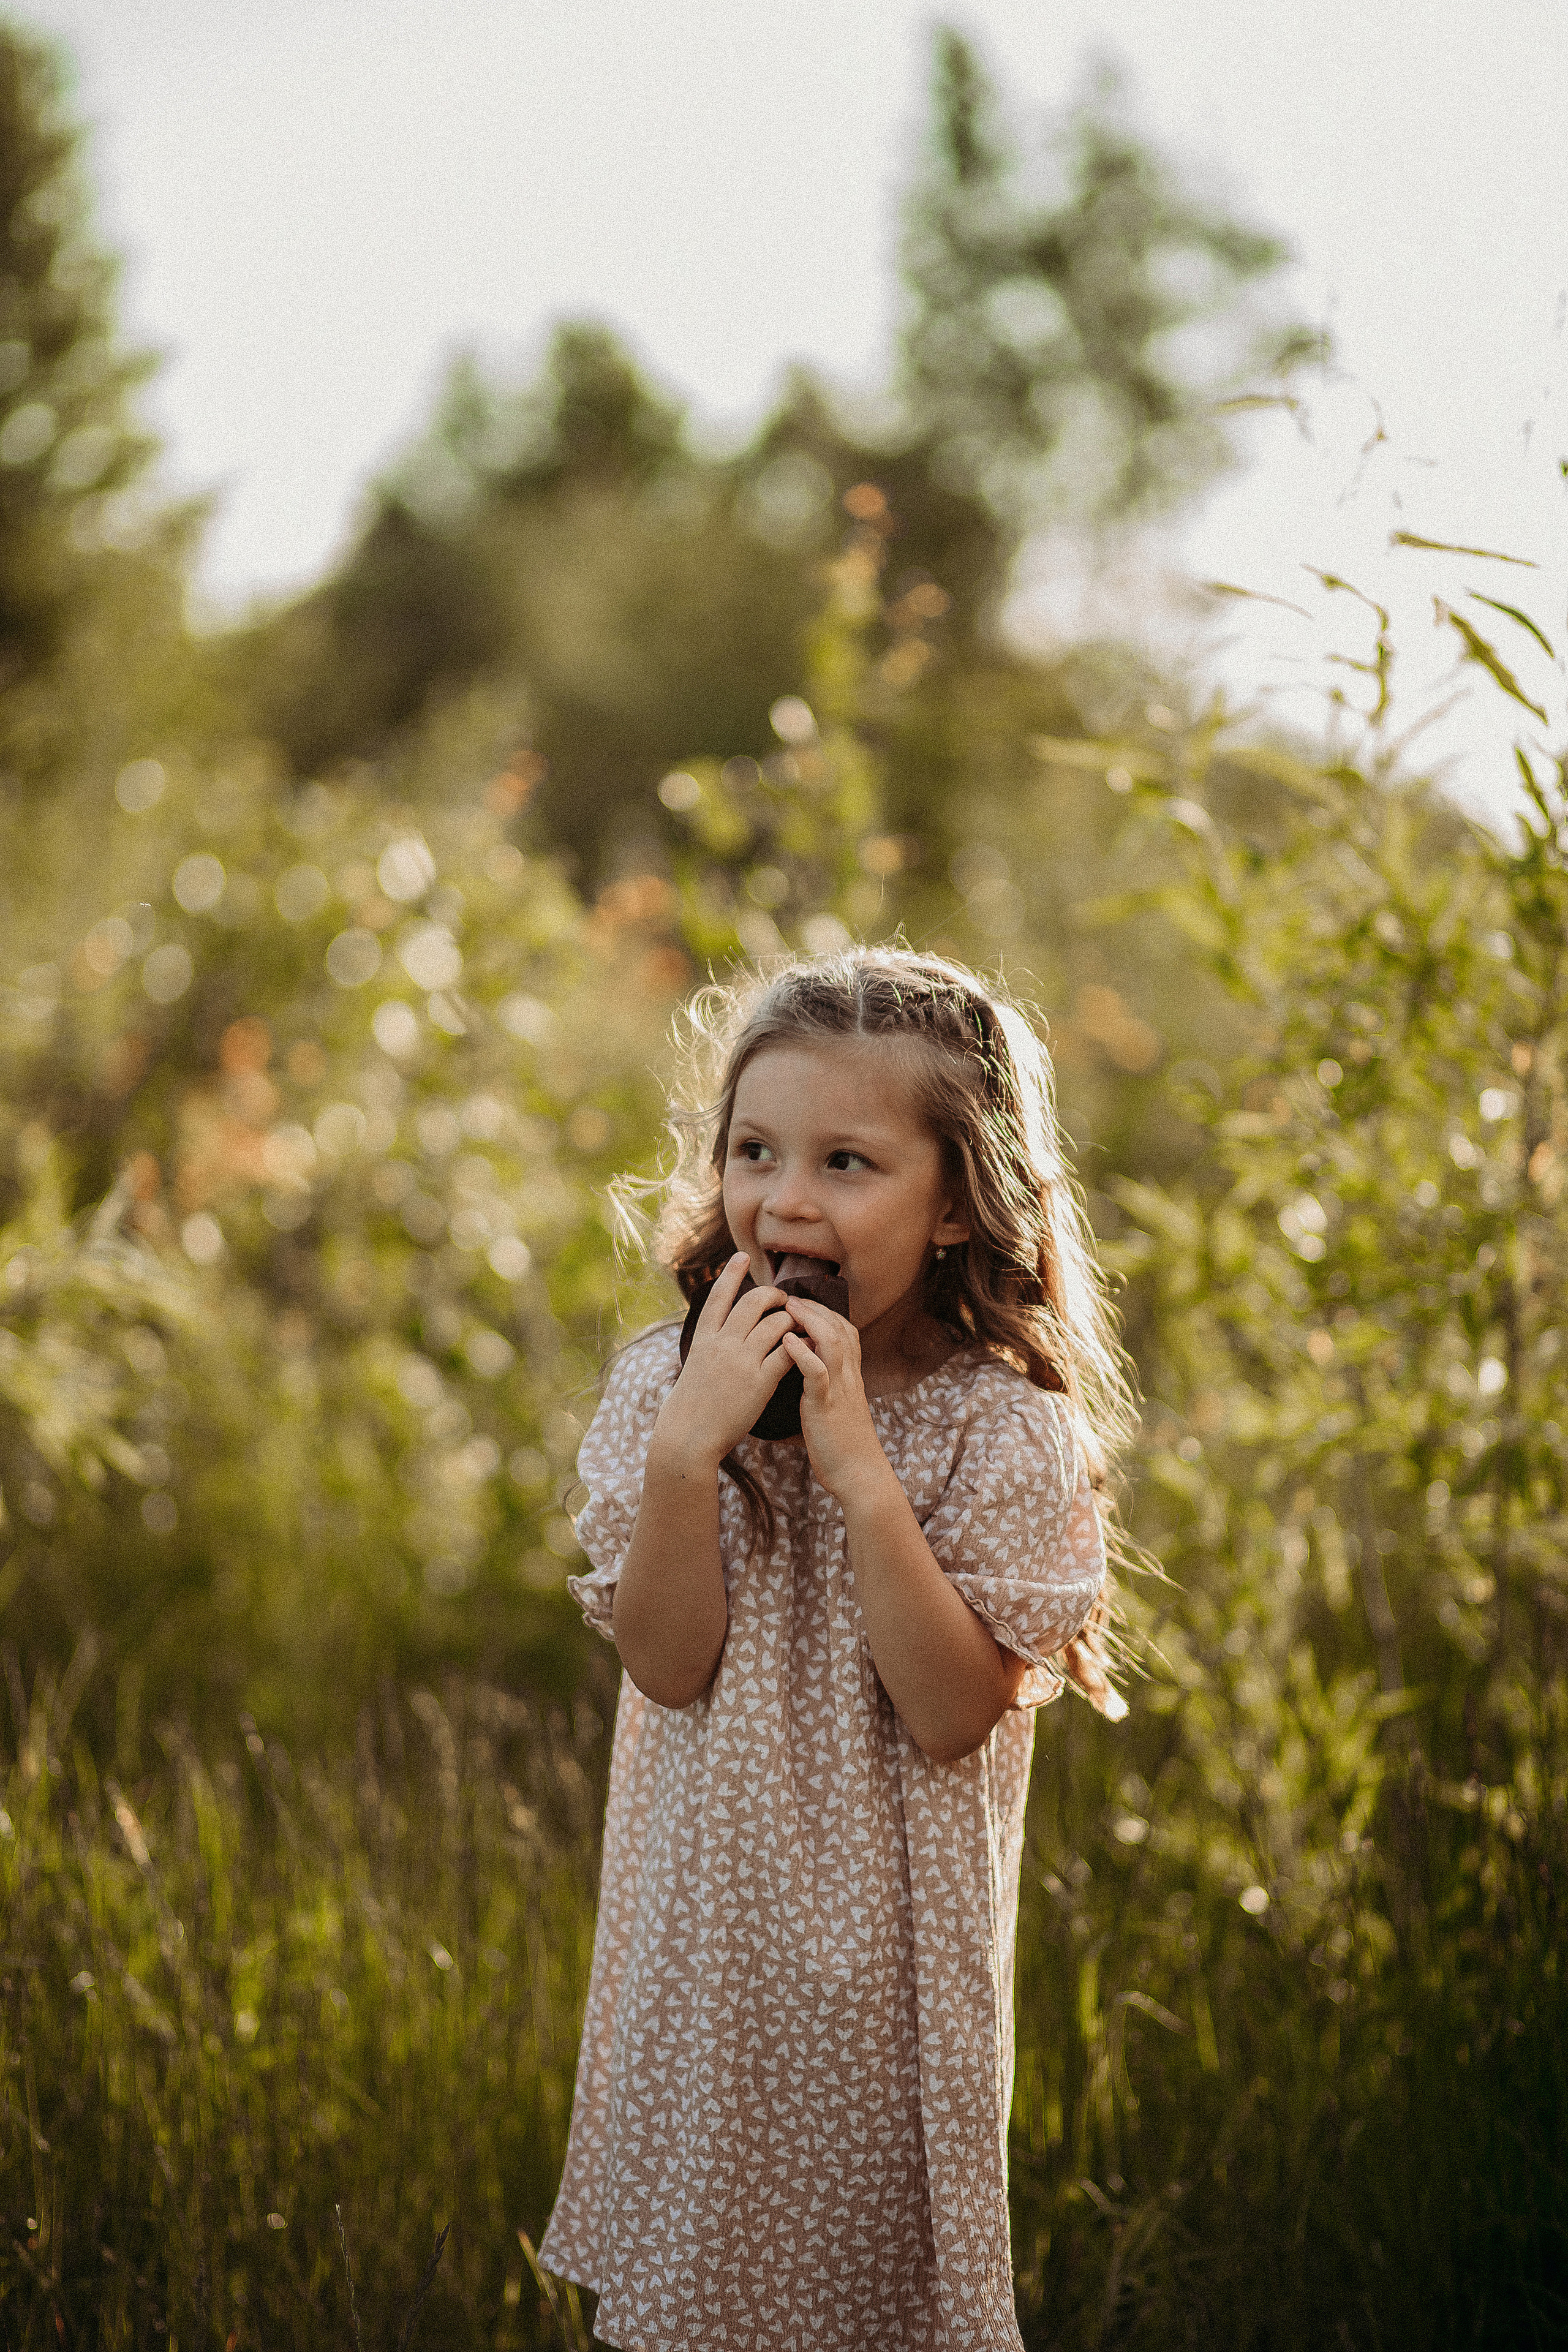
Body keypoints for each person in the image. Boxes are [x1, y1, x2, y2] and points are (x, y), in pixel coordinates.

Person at [538, 948, 1134, 2351]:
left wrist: (859, 1464)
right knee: (698, 2300)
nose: (784, 1200)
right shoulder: (663, 1384)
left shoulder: (1003, 1429)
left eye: (848, 1163)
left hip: (881, 1989)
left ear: (952, 1202)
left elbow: (948, 1714)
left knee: (864, 2307)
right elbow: (665, 1664)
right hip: (703, 1962)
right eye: (754, 1151)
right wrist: (692, 1450)